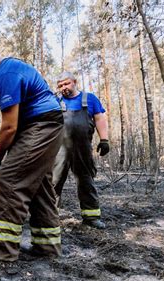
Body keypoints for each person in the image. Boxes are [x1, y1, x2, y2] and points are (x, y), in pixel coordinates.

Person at [0, 36, 64, 262]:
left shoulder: (6, 74)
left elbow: (9, 127)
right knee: (39, 185)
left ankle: (1, 250)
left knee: (10, 180)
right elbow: (16, 124)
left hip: (42, 125)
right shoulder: (8, 70)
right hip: (47, 125)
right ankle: (47, 247)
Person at [53, 72, 109, 229]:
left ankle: (91, 217)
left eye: (66, 84)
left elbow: (99, 118)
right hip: (60, 149)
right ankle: (49, 216)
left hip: (82, 148)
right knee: (54, 181)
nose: (64, 88)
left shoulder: (89, 99)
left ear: (74, 82)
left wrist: (104, 139)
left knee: (85, 179)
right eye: (60, 86)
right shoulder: (55, 101)